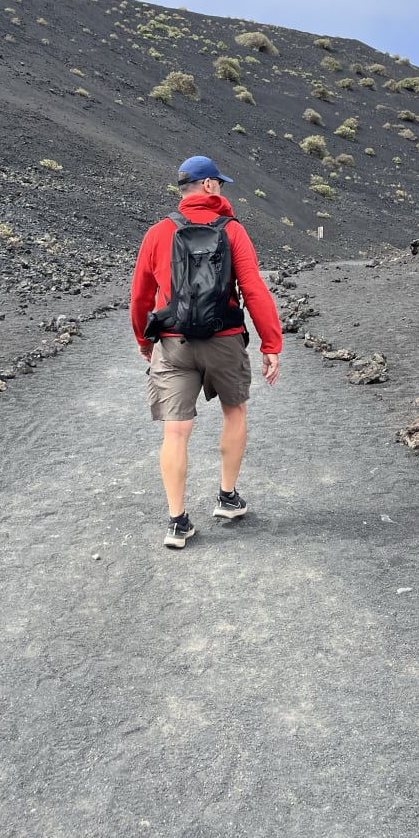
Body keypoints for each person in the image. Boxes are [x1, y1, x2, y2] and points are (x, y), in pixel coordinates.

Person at [131, 155, 283, 549]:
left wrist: (144, 342)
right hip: (225, 339)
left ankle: (177, 521)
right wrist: (271, 344)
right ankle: (227, 498)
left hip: (173, 343)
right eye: (221, 184)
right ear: (210, 186)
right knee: (234, 412)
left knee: (176, 430)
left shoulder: (158, 233)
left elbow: (140, 297)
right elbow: (254, 290)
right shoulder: (233, 231)